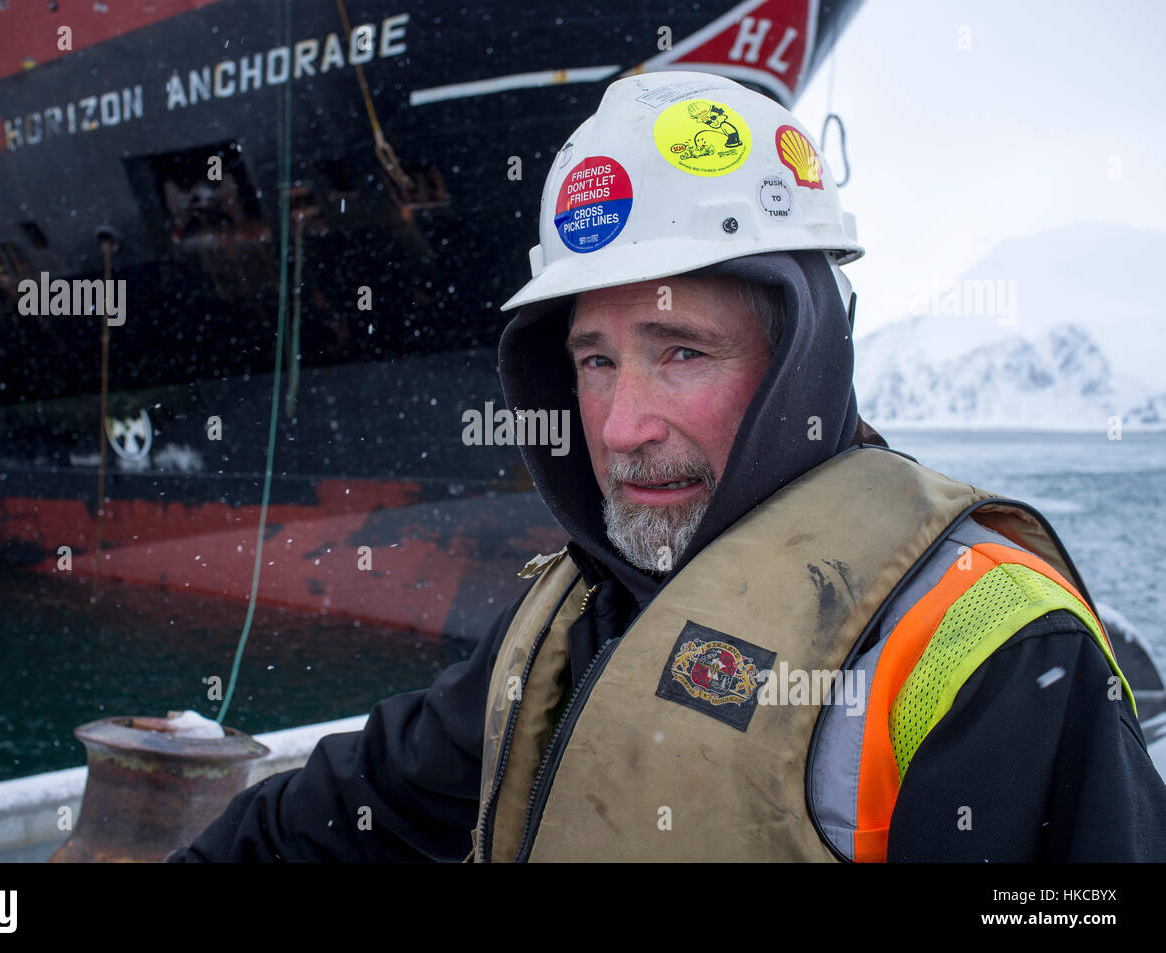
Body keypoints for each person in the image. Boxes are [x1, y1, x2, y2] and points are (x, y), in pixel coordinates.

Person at [168, 71, 1166, 863]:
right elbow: (367, 799)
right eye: (595, 360)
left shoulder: (983, 648)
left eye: (679, 349)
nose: (621, 424)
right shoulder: (575, 606)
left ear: (801, 356)